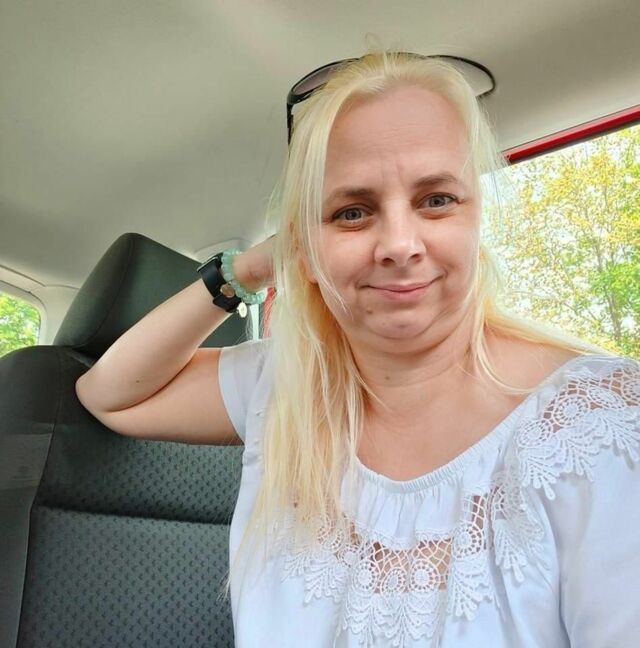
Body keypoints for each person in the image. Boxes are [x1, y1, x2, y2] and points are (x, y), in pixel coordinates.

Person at [76, 51, 640, 648]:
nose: (399, 244)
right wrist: (248, 269)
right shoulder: (284, 381)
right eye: (351, 212)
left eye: (436, 200)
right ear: (304, 248)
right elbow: (111, 394)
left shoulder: (602, 426)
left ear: (477, 218)